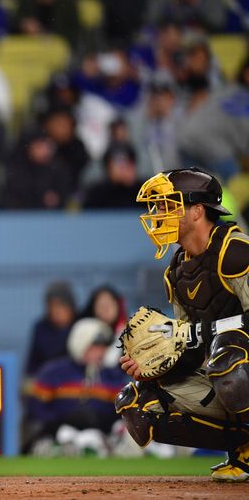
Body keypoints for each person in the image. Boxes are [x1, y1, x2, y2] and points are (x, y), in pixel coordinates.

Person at [118, 167, 249, 481]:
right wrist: (155, 365)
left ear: (197, 211)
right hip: (227, 366)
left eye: (167, 205)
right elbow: (190, 345)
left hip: (237, 361)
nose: (158, 214)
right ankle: (243, 451)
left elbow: (204, 334)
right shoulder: (176, 272)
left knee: (226, 356)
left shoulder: (235, 250)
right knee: (140, 402)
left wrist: (205, 332)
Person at [25, 318, 127, 455]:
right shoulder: (53, 372)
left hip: (102, 442)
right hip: (57, 438)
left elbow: (122, 415)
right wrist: (61, 422)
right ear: (80, 342)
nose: (101, 351)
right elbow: (36, 410)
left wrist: (100, 421)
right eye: (96, 345)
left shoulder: (112, 376)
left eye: (104, 346)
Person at [25, 281, 77, 376]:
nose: (56, 310)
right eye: (51, 305)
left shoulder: (81, 325)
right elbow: (32, 365)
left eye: (60, 305)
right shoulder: (41, 328)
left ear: (71, 306)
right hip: (47, 382)